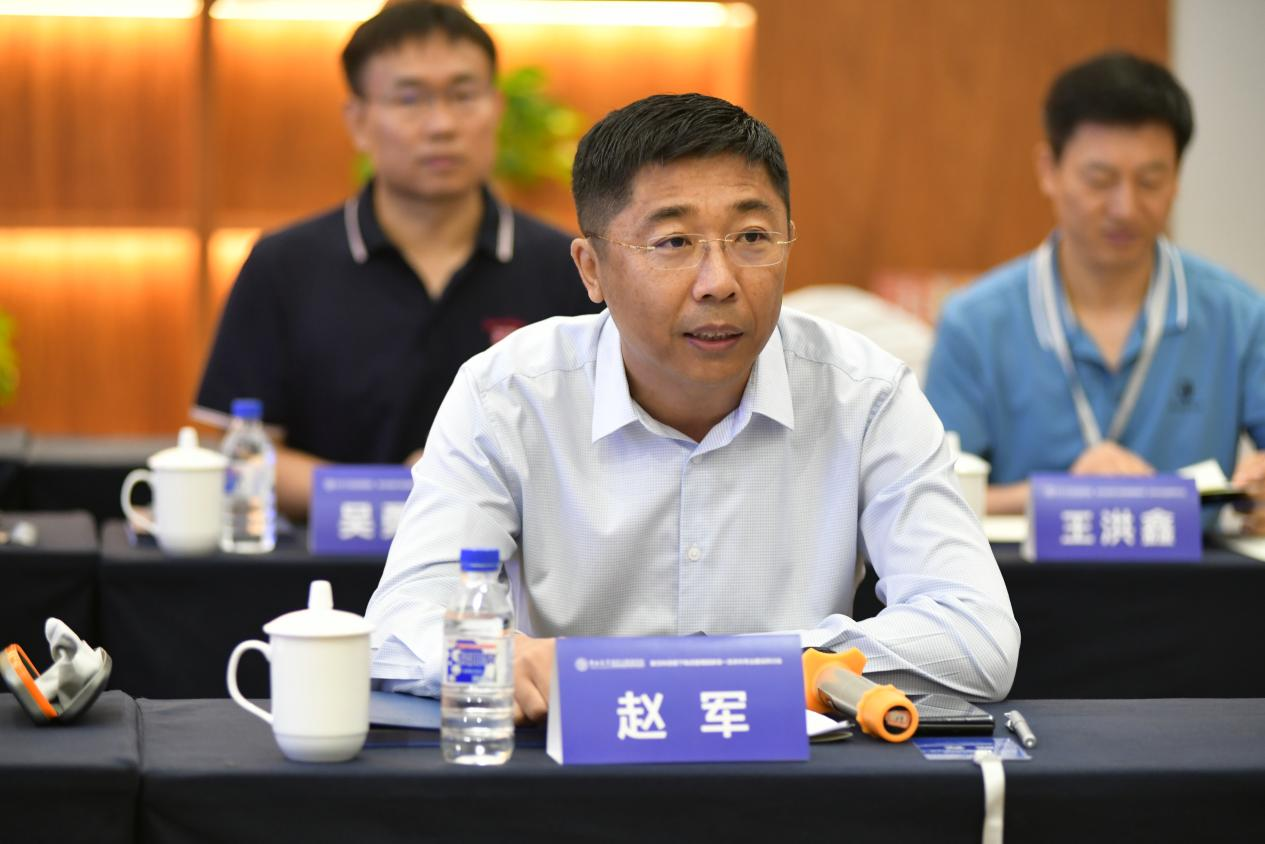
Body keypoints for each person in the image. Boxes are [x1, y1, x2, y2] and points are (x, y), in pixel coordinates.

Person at [367, 92, 1019, 722]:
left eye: (752, 237)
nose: (720, 283)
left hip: (790, 774)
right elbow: (398, 627)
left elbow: (975, 637)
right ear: (591, 269)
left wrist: (747, 671)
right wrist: (502, 656)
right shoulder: (507, 394)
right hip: (571, 771)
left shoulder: (864, 392)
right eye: (674, 243)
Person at [193, 1, 599, 519]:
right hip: (328, 559)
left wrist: (451, 487)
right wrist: (388, 493)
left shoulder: (568, 266)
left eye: (463, 95)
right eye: (409, 99)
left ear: (496, 108)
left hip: (511, 560)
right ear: (359, 121)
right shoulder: (284, 264)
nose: (442, 124)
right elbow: (241, 453)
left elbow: (597, 446)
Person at [924, 52, 1265, 529]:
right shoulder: (974, 324)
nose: (1125, 207)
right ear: (1049, 170)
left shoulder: (1239, 316)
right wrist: (1065, 495)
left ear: (1176, 179)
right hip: (1022, 576)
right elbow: (929, 496)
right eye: (1100, 180)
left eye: (1150, 181)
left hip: (1194, 574)